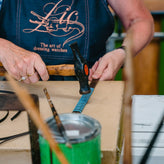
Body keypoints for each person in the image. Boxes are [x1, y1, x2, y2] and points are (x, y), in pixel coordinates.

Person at [0, 0, 154, 83]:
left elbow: (140, 20)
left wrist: (121, 53)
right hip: (15, 90)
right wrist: (4, 48)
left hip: (89, 88)